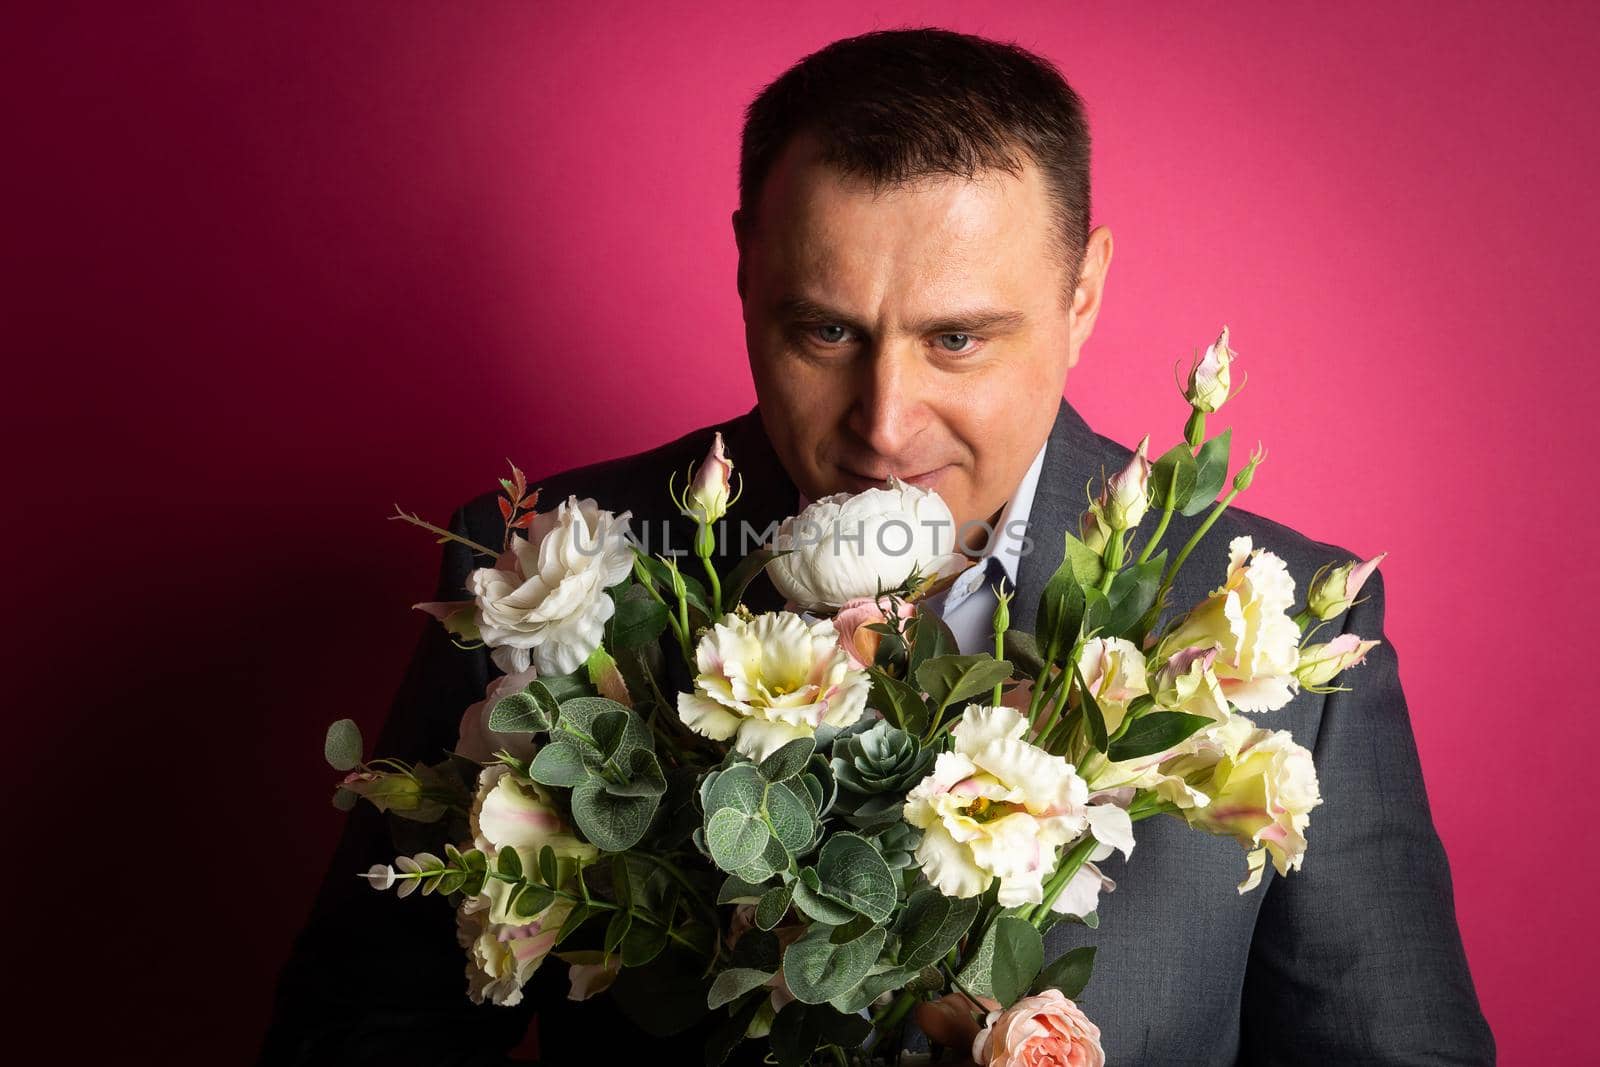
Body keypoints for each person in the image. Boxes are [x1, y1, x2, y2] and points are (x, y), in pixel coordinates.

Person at [261, 27, 1494, 1065]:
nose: (884, 427)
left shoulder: (1272, 638)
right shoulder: (543, 580)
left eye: (958, 339)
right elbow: (359, 1036)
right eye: (825, 332)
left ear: (1083, 296)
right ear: (745, 268)